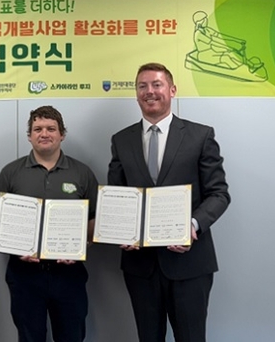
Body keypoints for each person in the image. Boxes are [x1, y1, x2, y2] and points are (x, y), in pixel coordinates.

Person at [108, 62, 231, 342]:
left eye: (157, 84)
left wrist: (193, 225)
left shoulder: (201, 136)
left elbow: (219, 193)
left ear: (172, 90)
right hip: (141, 266)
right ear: (136, 93)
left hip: (190, 263)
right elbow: (117, 195)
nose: (149, 91)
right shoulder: (121, 140)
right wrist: (121, 229)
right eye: (142, 86)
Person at [0, 105, 98, 342]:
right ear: (29, 136)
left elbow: (93, 219)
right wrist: (15, 245)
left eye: (51, 128)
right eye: (38, 129)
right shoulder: (11, 172)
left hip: (69, 273)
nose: (44, 134)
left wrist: (81, 245)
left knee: (71, 336)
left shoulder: (82, 173)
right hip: (24, 274)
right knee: (29, 337)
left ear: (62, 134)